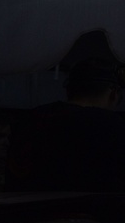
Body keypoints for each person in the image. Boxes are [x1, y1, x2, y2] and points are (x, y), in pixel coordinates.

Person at [8, 58, 125, 192]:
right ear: (113, 94)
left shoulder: (32, 118)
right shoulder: (111, 125)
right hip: (88, 209)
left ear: (69, 89)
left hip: (29, 209)